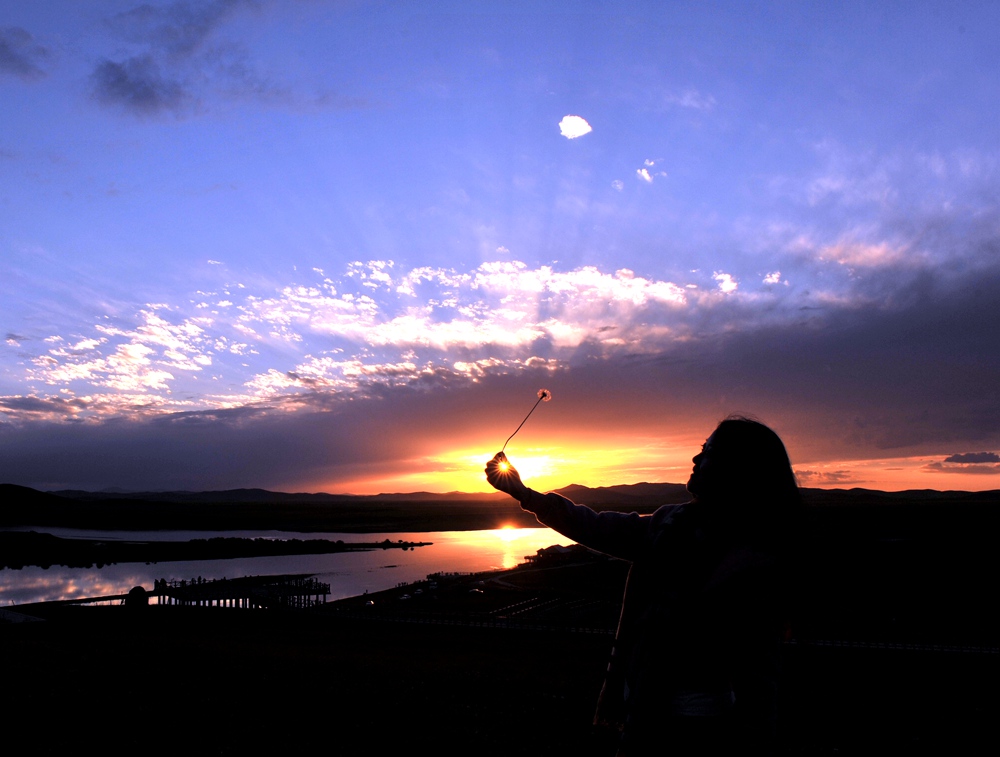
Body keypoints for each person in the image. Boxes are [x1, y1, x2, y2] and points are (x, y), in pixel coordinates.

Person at [485, 415, 799, 756]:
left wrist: (755, 745)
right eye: (700, 449)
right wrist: (522, 493)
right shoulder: (669, 523)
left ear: (736, 468)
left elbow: (760, 673)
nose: (695, 459)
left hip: (702, 728)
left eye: (707, 452)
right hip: (643, 712)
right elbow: (596, 527)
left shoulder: (757, 557)